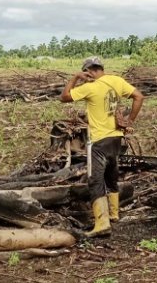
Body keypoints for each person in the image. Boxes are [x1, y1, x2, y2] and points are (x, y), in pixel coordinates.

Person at [60, 56, 144, 237]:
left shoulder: (90, 87)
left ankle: (101, 222)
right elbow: (139, 96)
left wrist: (75, 78)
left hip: (99, 141)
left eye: (86, 72)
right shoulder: (117, 81)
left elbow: (64, 97)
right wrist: (130, 120)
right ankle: (114, 213)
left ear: (89, 70)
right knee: (111, 176)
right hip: (115, 139)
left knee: (95, 180)